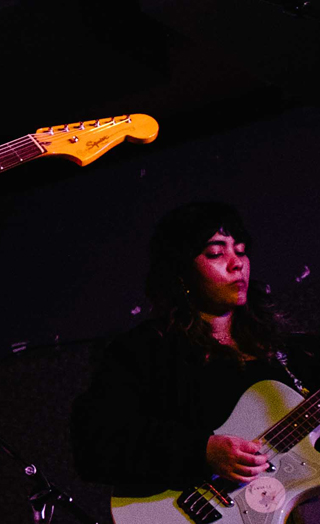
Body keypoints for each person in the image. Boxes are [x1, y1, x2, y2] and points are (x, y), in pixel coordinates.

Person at [71, 202, 320, 495]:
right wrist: (201, 451)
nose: (236, 262)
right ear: (181, 272)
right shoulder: (144, 351)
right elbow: (94, 445)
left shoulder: (292, 351)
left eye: (240, 250)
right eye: (215, 253)